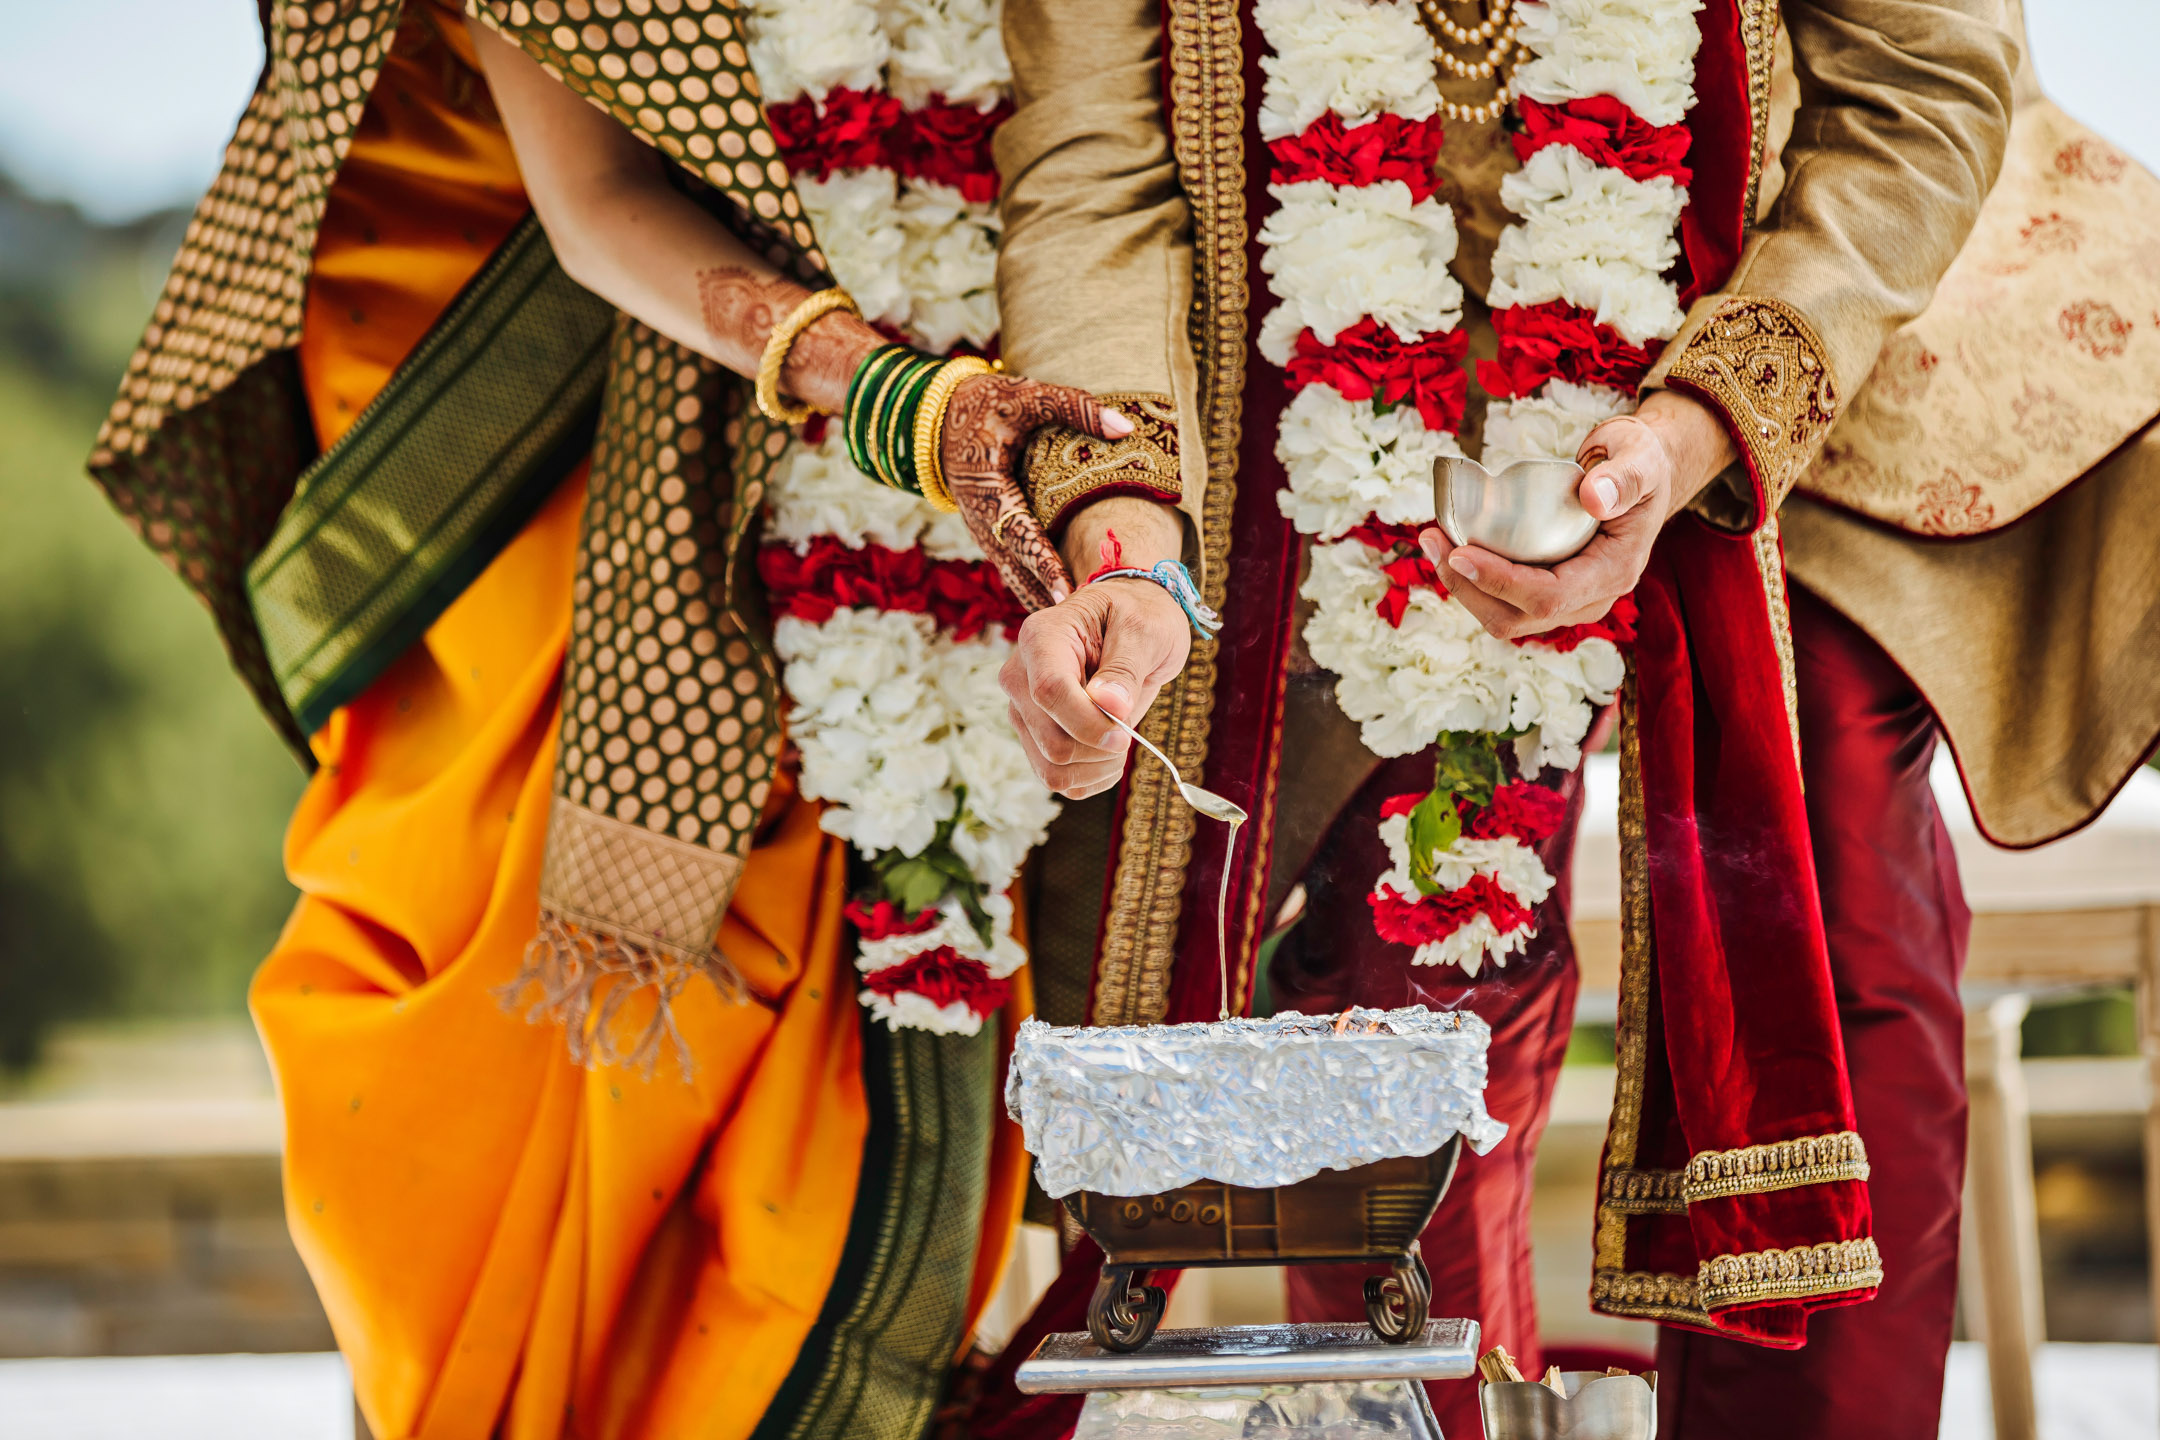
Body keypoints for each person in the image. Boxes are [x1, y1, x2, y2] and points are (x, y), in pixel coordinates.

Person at [980, 0, 2159, 1436]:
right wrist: (1123, 544)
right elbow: (1095, 158)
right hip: (1326, 355)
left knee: (1820, 914)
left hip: (1813, 294)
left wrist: (1691, 434)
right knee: (1395, 972)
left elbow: (1915, 86)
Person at [83, 2, 1162, 1436]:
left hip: (877, 561)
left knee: (841, 1058)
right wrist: (903, 401)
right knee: (500, 1090)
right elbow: (590, 199)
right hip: (543, 471)